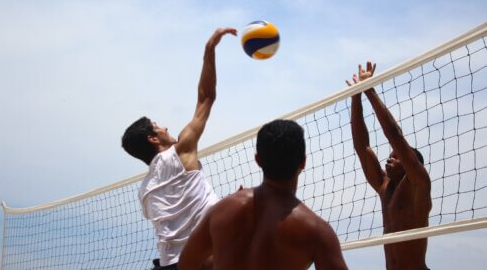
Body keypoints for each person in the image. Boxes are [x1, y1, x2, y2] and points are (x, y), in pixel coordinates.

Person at [121, 27, 237, 269]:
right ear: (154, 139)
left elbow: (183, 217)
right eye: (157, 126)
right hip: (201, 262)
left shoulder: (145, 192)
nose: (163, 126)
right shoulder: (180, 152)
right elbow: (206, 97)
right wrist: (209, 50)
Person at [178, 119, 348, 270]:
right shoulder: (317, 231)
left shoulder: (222, 210)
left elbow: (186, 264)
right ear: (303, 162)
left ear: (257, 160)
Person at [346, 62, 432, 270]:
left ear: (412, 164)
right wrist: (356, 96)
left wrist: (369, 89)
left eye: (397, 157)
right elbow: (362, 146)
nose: (390, 159)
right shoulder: (385, 187)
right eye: (390, 156)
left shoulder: (419, 184)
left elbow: (394, 135)